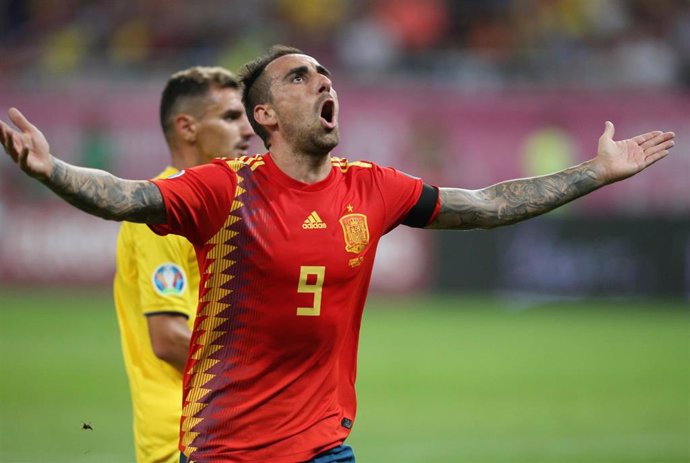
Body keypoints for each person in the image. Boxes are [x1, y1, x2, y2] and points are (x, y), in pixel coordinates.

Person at [0, 45, 675, 463]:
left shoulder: (372, 186)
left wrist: (595, 172)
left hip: (328, 447)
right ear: (264, 115)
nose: (323, 80)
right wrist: (51, 168)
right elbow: (125, 197)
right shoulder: (223, 189)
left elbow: (490, 203)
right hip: (229, 450)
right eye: (299, 77)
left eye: (325, 72)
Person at [113, 66, 253, 463]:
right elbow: (169, 337)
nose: (247, 130)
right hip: (186, 440)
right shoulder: (161, 212)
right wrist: (256, 374)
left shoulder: (220, 207)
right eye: (230, 117)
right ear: (187, 127)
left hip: (226, 432)